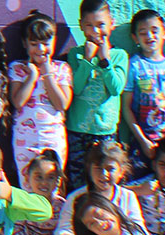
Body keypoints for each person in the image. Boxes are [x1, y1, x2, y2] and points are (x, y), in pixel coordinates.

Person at [64, 0, 130, 185]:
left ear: (112, 23)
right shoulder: (75, 54)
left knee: (104, 180)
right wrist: (87, 59)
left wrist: (104, 61)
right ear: (81, 26)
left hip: (105, 132)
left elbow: (116, 88)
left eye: (101, 24)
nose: (95, 31)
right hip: (78, 130)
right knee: (78, 179)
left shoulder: (119, 55)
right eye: (89, 26)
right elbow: (76, 89)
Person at [6, 14, 72, 182]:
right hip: (25, 138)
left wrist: (48, 74)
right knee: (28, 183)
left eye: (45, 43)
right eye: (34, 44)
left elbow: (61, 104)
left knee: (53, 183)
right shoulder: (19, 68)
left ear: (54, 41)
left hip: (53, 138)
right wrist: (33, 76)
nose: (41, 49)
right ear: (25, 44)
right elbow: (18, 101)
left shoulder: (62, 68)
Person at [122, 10, 165, 179]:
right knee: (140, 184)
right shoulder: (133, 66)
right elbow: (126, 107)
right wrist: (142, 140)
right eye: (143, 33)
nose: (149, 36)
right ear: (135, 38)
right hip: (143, 141)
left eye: (155, 30)